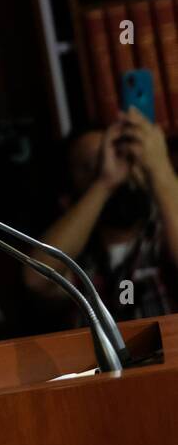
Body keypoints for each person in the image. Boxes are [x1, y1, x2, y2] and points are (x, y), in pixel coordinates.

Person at [28, 108, 178, 321]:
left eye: (119, 155)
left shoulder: (163, 233)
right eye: (91, 167)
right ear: (68, 198)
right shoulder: (80, 263)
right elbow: (36, 280)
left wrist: (159, 168)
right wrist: (105, 183)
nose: (112, 166)